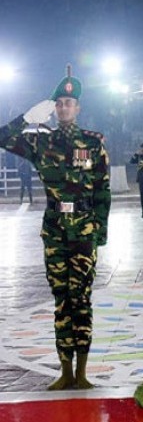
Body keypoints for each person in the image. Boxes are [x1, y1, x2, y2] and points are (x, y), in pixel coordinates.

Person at [0, 65, 110, 389]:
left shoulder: (92, 143)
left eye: (68, 103)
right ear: (54, 108)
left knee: (82, 299)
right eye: (58, 103)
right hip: (55, 231)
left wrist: (100, 232)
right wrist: (27, 119)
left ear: (78, 108)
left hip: (84, 231)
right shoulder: (41, 143)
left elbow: (103, 189)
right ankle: (65, 371)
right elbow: (3, 137)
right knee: (61, 299)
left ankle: (83, 372)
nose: (63, 108)